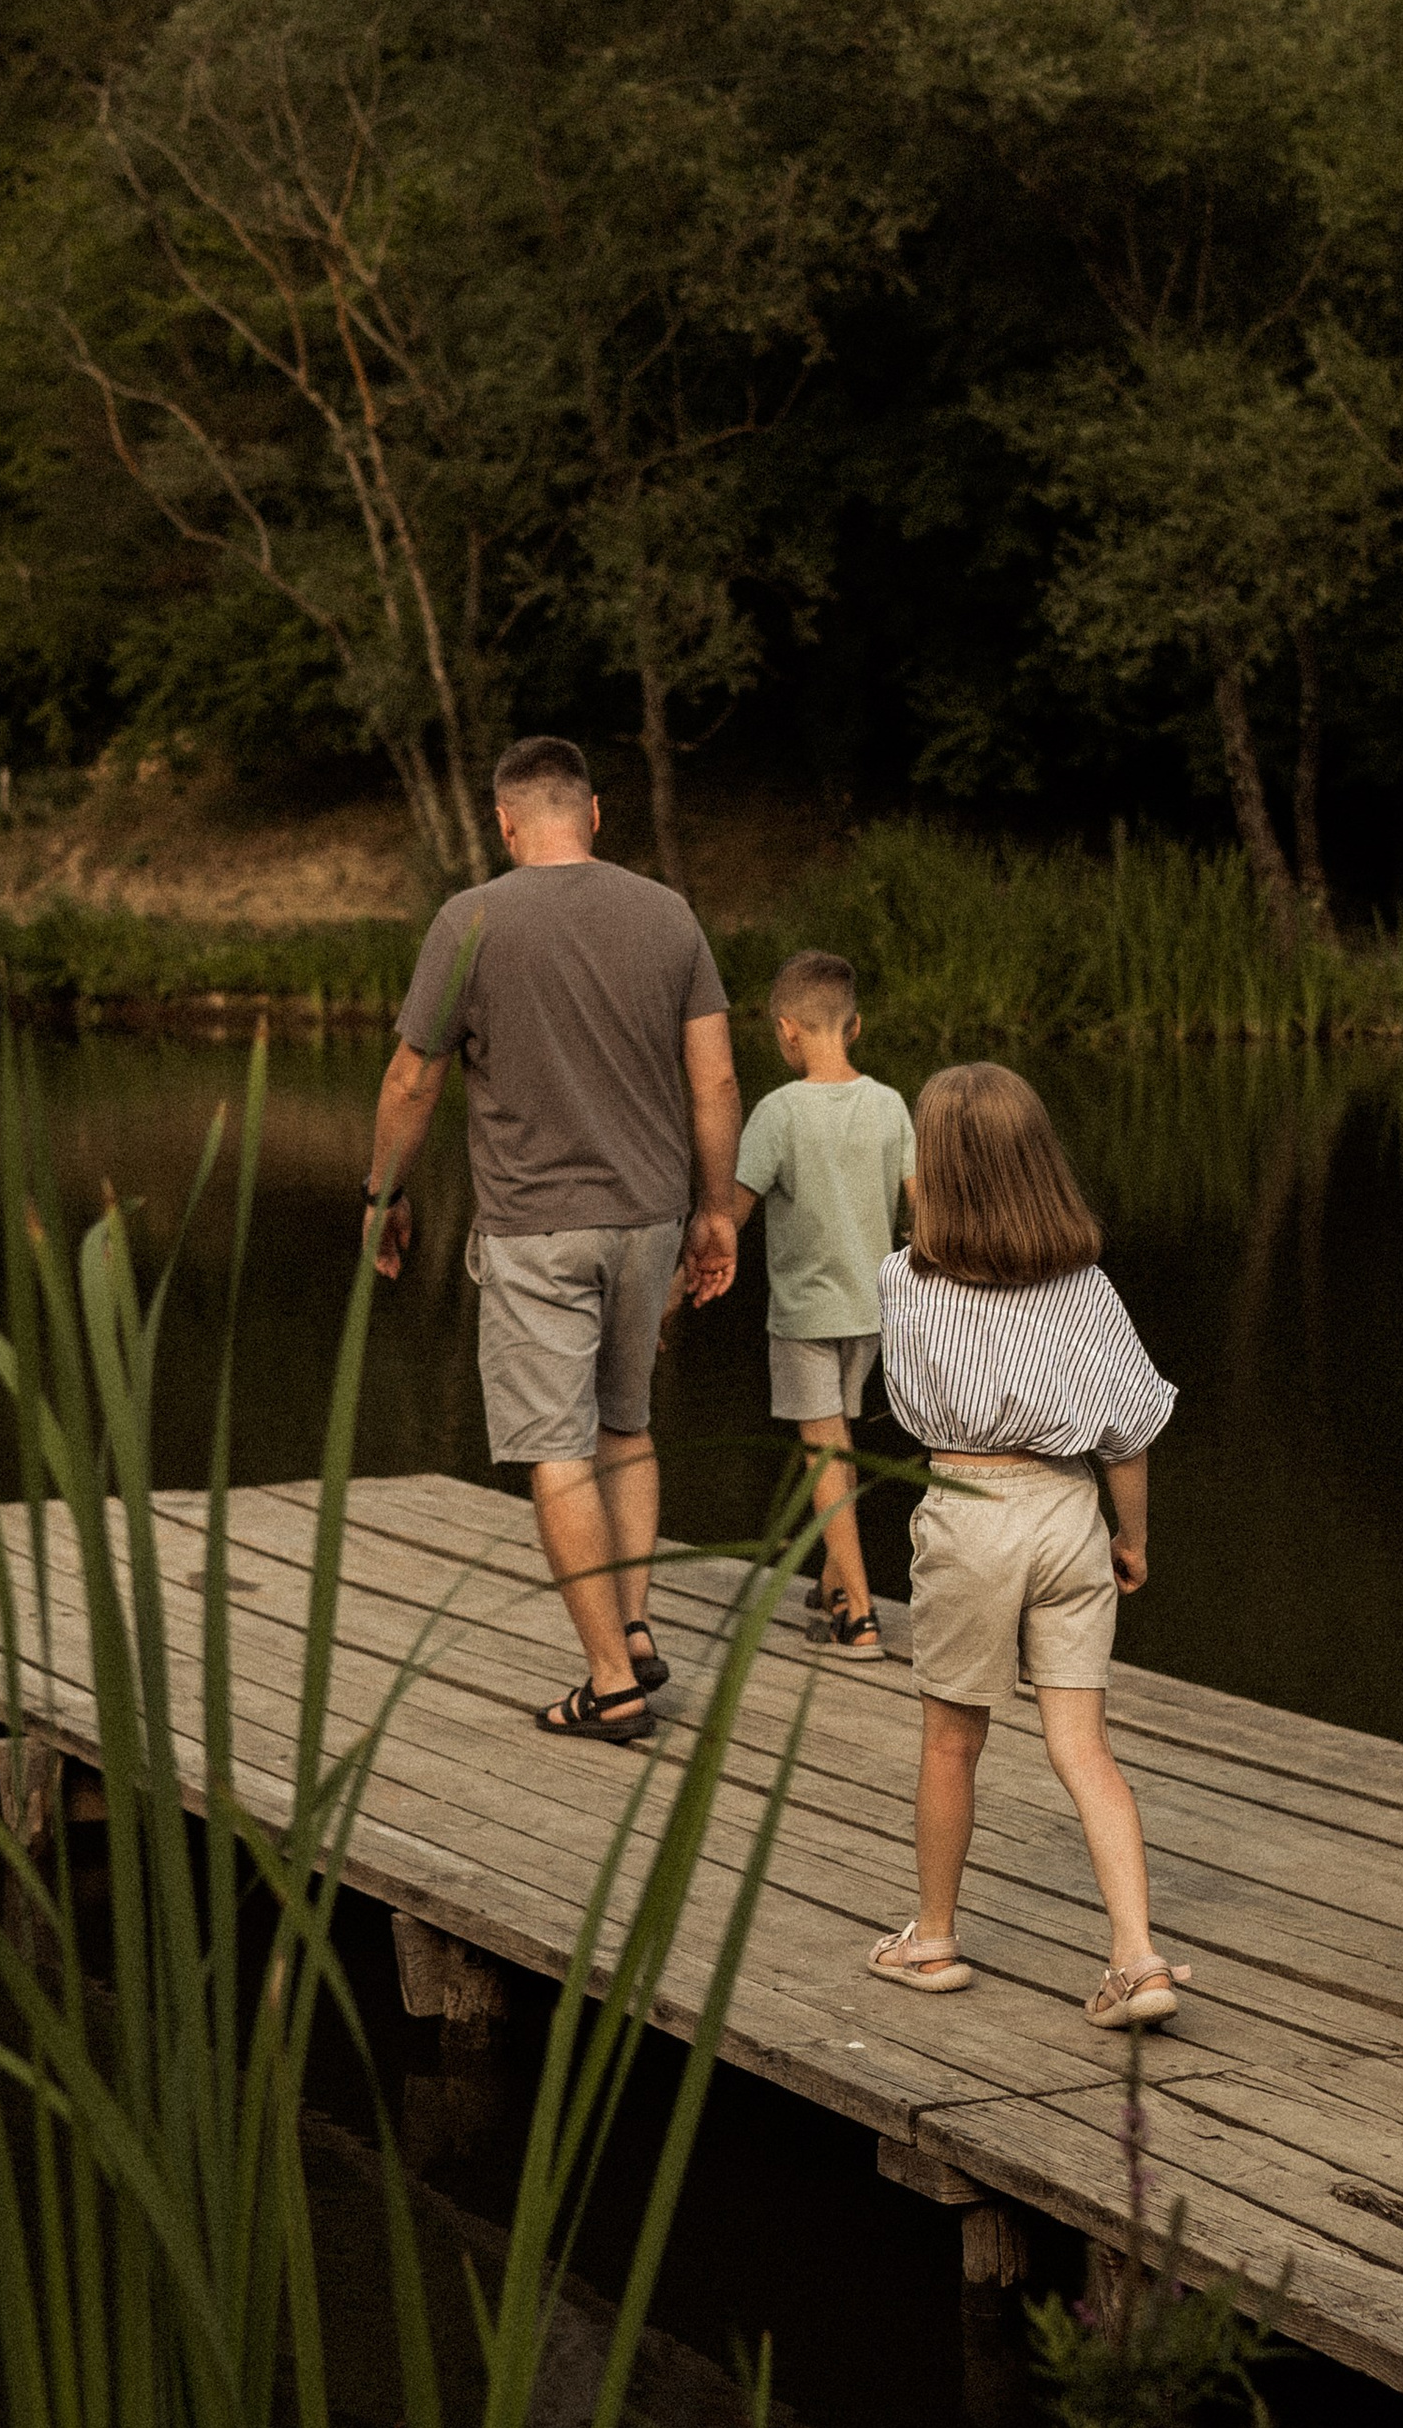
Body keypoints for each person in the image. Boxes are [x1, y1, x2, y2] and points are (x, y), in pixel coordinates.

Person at [365, 735, 741, 1746]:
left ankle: (613, 1684)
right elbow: (713, 1079)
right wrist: (715, 1208)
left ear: (503, 821)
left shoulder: (470, 919)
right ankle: (635, 1623)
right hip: (649, 1219)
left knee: (555, 1449)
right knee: (626, 1426)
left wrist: (385, 1193)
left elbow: (411, 1081)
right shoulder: (667, 915)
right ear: (595, 813)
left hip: (536, 1227)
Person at [865, 1061, 1186, 2029]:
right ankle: (1137, 1956)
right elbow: (1126, 1432)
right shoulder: (1084, 1286)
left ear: (931, 1176)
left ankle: (931, 1939)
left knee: (951, 1740)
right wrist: (1129, 1538)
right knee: (1082, 1746)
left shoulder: (902, 1280)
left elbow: (907, 1397)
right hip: (1066, 1509)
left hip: (968, 1506)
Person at [729, 949, 913, 1662]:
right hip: (873, 1311)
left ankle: (861, 1617)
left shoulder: (776, 1113)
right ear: (855, 1026)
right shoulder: (891, 1104)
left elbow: (731, 1215)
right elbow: (920, 1209)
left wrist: (682, 1279)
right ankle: (835, 1587)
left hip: (806, 1315)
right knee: (841, 1447)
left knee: (823, 1454)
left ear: (786, 1031)